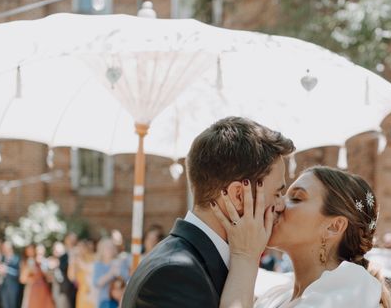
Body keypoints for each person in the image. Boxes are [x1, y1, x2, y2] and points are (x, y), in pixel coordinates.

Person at [121, 116, 295, 307]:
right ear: (238, 195)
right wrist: (246, 259)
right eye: (277, 193)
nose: (281, 205)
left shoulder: (197, 262)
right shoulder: (176, 274)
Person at [212, 165, 391, 307]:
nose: (278, 204)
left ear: (333, 227)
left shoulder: (350, 292)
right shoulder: (278, 295)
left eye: (296, 198)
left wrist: (244, 256)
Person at [93, 238, 128, 307]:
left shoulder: (120, 263)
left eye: (112, 247)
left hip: (119, 300)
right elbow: (97, 283)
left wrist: (119, 271)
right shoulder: (99, 264)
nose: (110, 250)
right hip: (105, 300)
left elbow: (127, 279)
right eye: (107, 248)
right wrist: (111, 273)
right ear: (101, 250)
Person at [20, 244, 55, 308]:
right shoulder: (25, 263)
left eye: (32, 250)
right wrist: (31, 278)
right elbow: (22, 279)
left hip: (42, 288)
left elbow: (48, 277)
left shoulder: (40, 261)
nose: (31, 252)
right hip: (32, 289)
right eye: (29, 250)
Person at [67, 240, 96, 308]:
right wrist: (72, 260)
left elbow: (93, 271)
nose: (81, 249)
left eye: (83, 247)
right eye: (79, 247)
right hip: (82, 292)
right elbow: (71, 277)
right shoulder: (75, 261)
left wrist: (80, 262)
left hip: (93, 291)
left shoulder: (92, 257)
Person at [0, 241, 20, 308]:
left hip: (12, 288)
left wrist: (7, 269)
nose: (4, 250)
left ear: (10, 248)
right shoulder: (3, 259)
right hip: (3, 288)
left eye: (5, 248)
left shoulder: (17, 258)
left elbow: (17, 273)